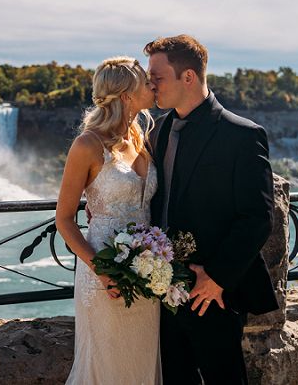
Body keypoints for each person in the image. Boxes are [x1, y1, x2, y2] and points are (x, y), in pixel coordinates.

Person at [144, 35, 278, 384]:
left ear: (188, 77)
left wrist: (215, 277)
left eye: (157, 77)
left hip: (214, 294)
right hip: (163, 291)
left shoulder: (242, 135)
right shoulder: (157, 132)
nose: (149, 85)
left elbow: (258, 217)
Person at [56, 56, 160, 385]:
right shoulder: (87, 145)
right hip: (105, 275)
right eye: (146, 81)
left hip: (148, 273)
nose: (153, 85)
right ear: (127, 95)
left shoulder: (142, 140)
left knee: (140, 363)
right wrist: (102, 270)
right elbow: (64, 220)